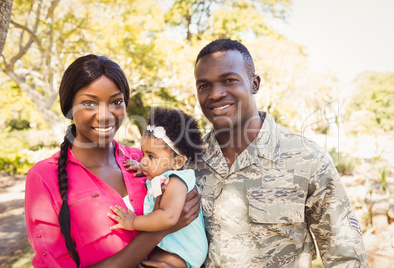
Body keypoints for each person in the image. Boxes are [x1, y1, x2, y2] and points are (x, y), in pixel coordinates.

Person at [193, 39, 369, 267]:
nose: (215, 94)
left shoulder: (307, 158)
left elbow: (345, 254)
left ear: (254, 83)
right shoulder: (187, 162)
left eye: (229, 80)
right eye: (204, 86)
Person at [24, 54, 200, 268]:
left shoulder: (145, 161)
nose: (105, 115)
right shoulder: (44, 178)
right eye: (89, 103)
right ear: (69, 107)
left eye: (116, 102)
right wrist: (160, 229)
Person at [107, 107, 208, 268]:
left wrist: (133, 222)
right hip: (172, 247)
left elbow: (168, 217)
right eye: (143, 153)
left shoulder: (178, 181)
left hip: (183, 251)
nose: (144, 160)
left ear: (178, 162)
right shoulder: (165, 174)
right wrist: (144, 167)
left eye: (151, 156)